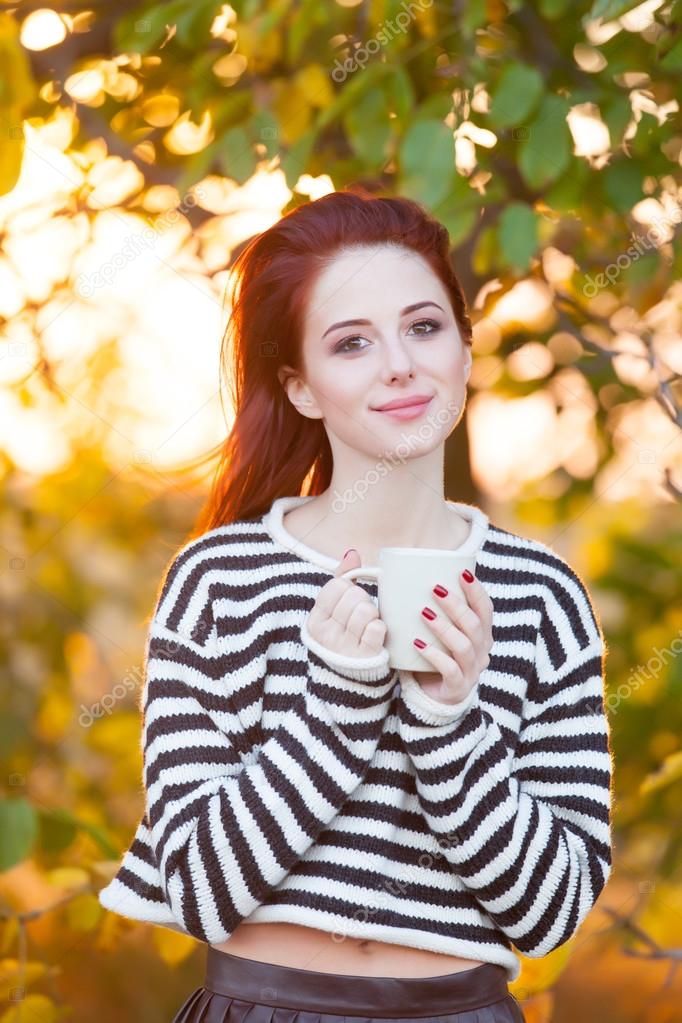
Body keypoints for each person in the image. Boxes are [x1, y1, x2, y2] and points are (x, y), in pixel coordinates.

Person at [98, 187, 613, 1023]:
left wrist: (450, 725)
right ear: (301, 386)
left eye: (423, 326)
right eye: (351, 343)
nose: (400, 365)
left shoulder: (540, 595)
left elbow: (552, 911)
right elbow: (196, 887)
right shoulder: (218, 581)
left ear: (465, 347)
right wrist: (334, 708)